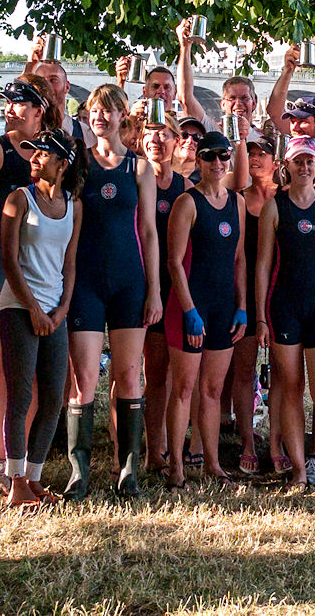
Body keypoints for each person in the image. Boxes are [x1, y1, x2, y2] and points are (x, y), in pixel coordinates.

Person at [66, 84, 163, 499]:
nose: (100, 117)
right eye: (94, 110)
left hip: (129, 283)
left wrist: (154, 291)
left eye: (108, 110)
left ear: (123, 116)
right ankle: (78, 472)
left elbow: (149, 233)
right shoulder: (78, 164)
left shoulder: (139, 169)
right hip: (86, 282)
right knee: (83, 378)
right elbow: (66, 226)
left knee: (128, 377)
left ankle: (128, 470)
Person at [0, 75, 61, 496]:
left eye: (19, 104)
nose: (10, 110)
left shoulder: (54, 153)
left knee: (36, 377)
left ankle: (23, 466)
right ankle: (2, 466)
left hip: (41, 273)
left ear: (39, 111)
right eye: (6, 103)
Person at [255, 137, 315, 495]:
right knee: (291, 392)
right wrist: (262, 318)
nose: (305, 167)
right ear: (287, 164)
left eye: (310, 161)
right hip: (285, 308)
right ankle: (299, 472)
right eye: (299, 161)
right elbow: (263, 265)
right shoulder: (274, 207)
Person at [0, 128, 85, 507]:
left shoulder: (73, 205)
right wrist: (33, 308)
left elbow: (70, 263)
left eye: (43, 154)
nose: (34, 158)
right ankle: (14, 478)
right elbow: (8, 260)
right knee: (21, 395)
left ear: (62, 164)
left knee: (54, 398)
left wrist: (61, 309)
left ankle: (33, 477)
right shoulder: (19, 199)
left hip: (54, 311)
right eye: (32, 153)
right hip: (18, 307)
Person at [165, 131, 246, 490]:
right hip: (191, 307)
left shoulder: (236, 203)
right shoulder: (187, 203)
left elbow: (239, 258)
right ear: (198, 160)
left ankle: (212, 464)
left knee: (212, 390)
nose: (217, 164)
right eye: (210, 157)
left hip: (223, 307)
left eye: (223, 157)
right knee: (183, 389)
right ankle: (177, 468)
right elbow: (174, 263)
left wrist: (241, 306)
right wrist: (188, 310)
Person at [141, 114, 191, 474]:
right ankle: (125, 453)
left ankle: (156, 448)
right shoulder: (132, 179)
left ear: (176, 142)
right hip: (136, 284)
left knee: (163, 375)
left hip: (173, 289)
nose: (156, 139)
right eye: (149, 132)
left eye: (164, 134)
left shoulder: (186, 189)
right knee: (134, 374)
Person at [237, 129, 279, 474]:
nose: (255, 158)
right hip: (246, 294)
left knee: (283, 375)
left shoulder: (291, 197)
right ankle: (248, 440)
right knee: (244, 370)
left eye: (262, 153)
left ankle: (278, 440)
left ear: (276, 161)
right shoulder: (237, 199)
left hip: (282, 294)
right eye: (250, 152)